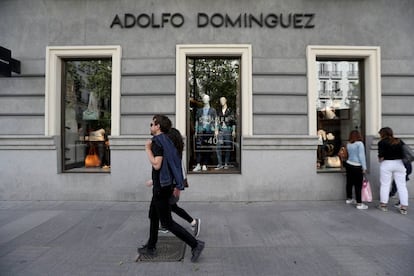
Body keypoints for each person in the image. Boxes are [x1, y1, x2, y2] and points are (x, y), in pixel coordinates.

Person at [138, 115, 205, 262]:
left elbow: (157, 164)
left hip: (161, 188)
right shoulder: (167, 141)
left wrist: (147, 149)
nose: (150, 126)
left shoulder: (157, 143)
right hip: (163, 185)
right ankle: (151, 246)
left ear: (158, 127)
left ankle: (195, 244)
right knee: (153, 216)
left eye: (152, 124)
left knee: (167, 222)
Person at [148, 127, 201, 237]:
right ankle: (164, 225)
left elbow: (178, 170)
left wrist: (178, 186)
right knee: (167, 206)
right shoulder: (172, 151)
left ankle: (193, 222)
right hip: (169, 185)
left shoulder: (173, 153)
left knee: (170, 206)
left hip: (171, 186)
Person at [377, 127, 409, 215]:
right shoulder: (398, 141)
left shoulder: (381, 142)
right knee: (402, 186)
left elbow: (381, 157)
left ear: (382, 134)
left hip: (387, 164)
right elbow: (405, 152)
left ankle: (383, 205)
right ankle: (404, 207)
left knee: (385, 185)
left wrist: (380, 158)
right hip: (399, 164)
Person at [344, 130, 368, 209]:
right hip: (357, 166)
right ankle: (359, 203)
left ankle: (349, 198)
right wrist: (364, 167)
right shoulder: (360, 144)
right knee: (358, 185)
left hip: (349, 164)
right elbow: (362, 156)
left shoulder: (348, 144)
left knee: (349, 183)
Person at [193, 94, 217, 172]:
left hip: (209, 131)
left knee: (207, 147)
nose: (205, 100)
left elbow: (215, 120)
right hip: (200, 131)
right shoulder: (199, 110)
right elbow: (196, 121)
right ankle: (198, 164)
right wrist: (196, 130)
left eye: (206, 98)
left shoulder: (213, 110)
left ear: (209, 99)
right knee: (199, 147)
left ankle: (205, 164)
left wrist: (216, 130)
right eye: (204, 99)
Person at [215, 97, 236, 170]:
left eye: (223, 100)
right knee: (218, 147)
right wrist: (216, 129)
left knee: (227, 147)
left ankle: (226, 163)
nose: (222, 101)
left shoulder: (230, 110)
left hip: (227, 130)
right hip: (220, 131)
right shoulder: (218, 111)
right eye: (220, 100)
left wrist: (233, 130)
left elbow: (233, 121)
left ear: (226, 101)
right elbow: (217, 121)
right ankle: (220, 163)